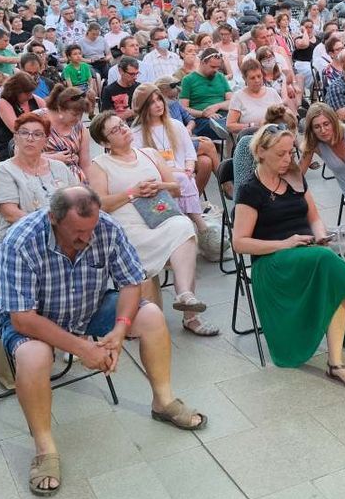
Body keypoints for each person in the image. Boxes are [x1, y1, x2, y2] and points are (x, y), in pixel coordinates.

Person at [0, 186, 204, 495]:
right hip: (35, 316)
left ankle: (163, 401)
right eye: (77, 232)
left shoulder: (105, 226)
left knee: (152, 316)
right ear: (53, 219)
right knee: (34, 357)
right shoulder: (21, 240)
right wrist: (82, 347)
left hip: (88, 305)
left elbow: (131, 282)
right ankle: (45, 448)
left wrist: (120, 329)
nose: (87, 238)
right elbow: (23, 318)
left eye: (91, 230)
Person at [234, 123, 345, 377]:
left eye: (290, 153)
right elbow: (240, 242)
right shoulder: (250, 190)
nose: (287, 159)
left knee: (330, 272)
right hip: (273, 262)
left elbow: (314, 218)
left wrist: (320, 236)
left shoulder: (294, 177)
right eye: (281, 154)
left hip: (308, 254)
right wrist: (285, 244)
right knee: (325, 260)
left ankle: (336, 364)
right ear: (261, 152)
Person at [87, 111, 217, 337]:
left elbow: (176, 187)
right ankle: (180, 310)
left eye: (123, 124)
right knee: (177, 234)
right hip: (127, 229)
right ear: (105, 141)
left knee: (183, 225)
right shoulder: (99, 165)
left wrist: (158, 186)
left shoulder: (148, 154)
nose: (124, 129)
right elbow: (101, 205)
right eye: (115, 130)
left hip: (158, 218)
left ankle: (186, 298)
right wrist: (132, 192)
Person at [131, 83, 209, 233]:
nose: (158, 105)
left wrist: (189, 168)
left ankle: (194, 226)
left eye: (159, 100)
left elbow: (189, 154)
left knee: (184, 177)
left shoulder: (176, 125)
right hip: (158, 178)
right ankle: (200, 225)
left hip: (182, 174)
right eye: (152, 102)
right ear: (143, 108)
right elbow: (144, 165)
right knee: (181, 178)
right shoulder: (136, 133)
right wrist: (180, 172)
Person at [0, 111, 79, 227]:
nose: (30, 138)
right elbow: (10, 214)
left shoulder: (59, 167)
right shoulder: (2, 170)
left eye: (37, 134)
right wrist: (52, 225)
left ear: (45, 141)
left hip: (63, 232)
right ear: (15, 137)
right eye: (24, 133)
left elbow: (77, 199)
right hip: (22, 234)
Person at [40, 83, 91, 183]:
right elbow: (19, 153)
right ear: (60, 109)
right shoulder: (39, 120)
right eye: (74, 114)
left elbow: (85, 163)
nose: (78, 119)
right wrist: (53, 158)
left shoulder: (80, 128)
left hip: (74, 179)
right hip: (45, 177)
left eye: (81, 115)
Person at [229, 57, 290, 135]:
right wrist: (253, 125)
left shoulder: (272, 92)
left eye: (259, 76)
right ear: (244, 79)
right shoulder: (238, 97)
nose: (257, 80)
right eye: (252, 78)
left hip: (274, 135)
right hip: (251, 136)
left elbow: (283, 114)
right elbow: (230, 126)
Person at [180, 47, 230, 141]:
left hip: (223, 114)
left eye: (218, 67)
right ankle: (227, 131)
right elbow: (184, 108)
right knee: (213, 125)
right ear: (203, 63)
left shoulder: (220, 77)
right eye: (212, 67)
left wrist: (217, 106)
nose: (216, 70)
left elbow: (231, 101)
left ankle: (228, 130)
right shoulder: (188, 80)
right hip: (202, 119)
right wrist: (203, 113)